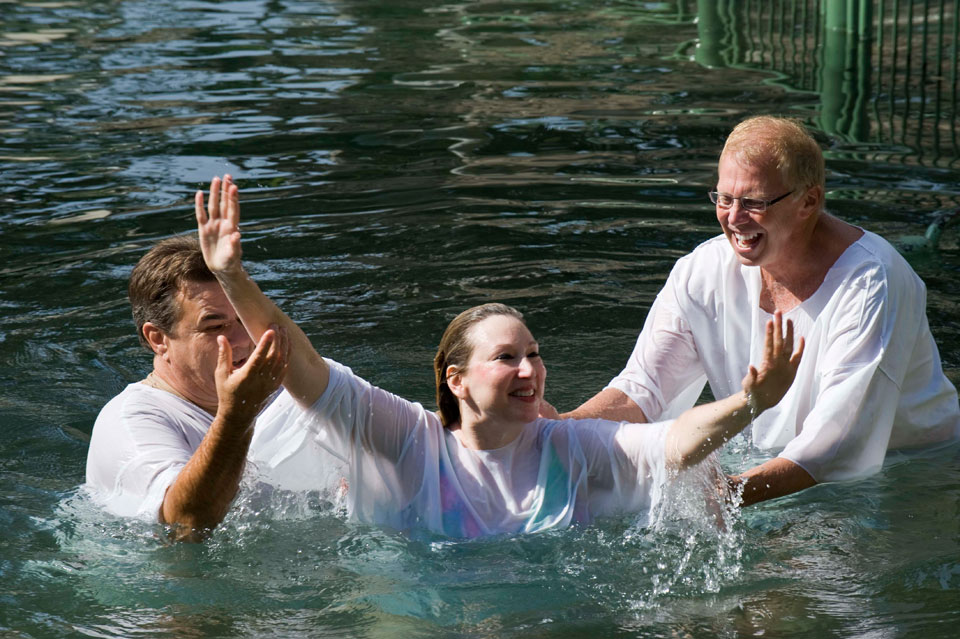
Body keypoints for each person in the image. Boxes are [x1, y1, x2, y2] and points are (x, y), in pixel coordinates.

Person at [195, 175, 804, 539]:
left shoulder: (569, 447)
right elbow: (303, 367)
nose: (529, 370)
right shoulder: (408, 441)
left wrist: (748, 402)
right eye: (507, 357)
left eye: (534, 354)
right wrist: (232, 277)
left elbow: (674, 445)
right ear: (456, 380)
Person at [567, 115, 960, 506]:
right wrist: (552, 434)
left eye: (754, 202)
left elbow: (839, 441)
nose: (734, 218)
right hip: (775, 467)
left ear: (809, 201)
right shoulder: (702, 271)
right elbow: (643, 391)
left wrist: (726, 495)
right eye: (724, 198)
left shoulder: (872, 281)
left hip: (910, 480)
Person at [85, 234, 291, 541]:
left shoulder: (277, 390)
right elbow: (184, 526)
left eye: (245, 318)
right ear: (158, 339)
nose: (243, 340)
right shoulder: (129, 421)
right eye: (215, 326)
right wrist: (238, 413)